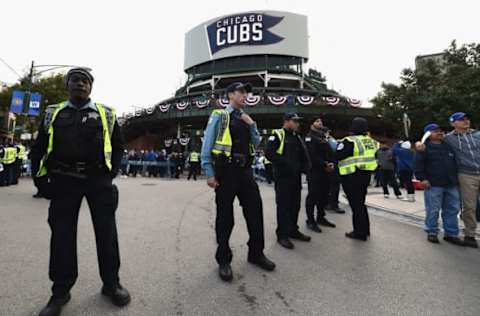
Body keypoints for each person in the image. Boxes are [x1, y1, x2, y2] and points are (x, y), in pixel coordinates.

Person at [31, 68, 130, 316]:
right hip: (63, 180)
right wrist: (40, 182)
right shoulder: (53, 113)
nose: (80, 84)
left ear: (91, 87)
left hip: (98, 181)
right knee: (62, 237)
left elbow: (118, 147)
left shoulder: (106, 114)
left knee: (106, 235)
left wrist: (110, 174)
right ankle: (60, 292)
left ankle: (111, 284)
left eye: (85, 80)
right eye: (75, 80)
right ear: (68, 85)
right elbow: (38, 149)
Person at [201, 82, 275, 282]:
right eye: (241, 92)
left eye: (246, 92)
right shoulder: (219, 116)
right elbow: (207, 144)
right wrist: (209, 172)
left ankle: (256, 253)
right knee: (225, 218)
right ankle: (224, 260)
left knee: (255, 212)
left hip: (245, 172)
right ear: (230, 95)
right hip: (226, 172)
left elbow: (257, 143)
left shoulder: (246, 117)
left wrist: (252, 125)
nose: (245, 95)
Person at [266, 112, 311, 249]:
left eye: (298, 121)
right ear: (286, 121)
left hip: (295, 177)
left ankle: (293, 230)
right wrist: (286, 164)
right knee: (284, 206)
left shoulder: (296, 137)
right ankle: (282, 235)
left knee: (295, 206)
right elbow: (270, 153)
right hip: (283, 177)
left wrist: (306, 168)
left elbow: (302, 155)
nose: (297, 124)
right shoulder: (278, 134)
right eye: (295, 121)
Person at [415, 123, 463, 246]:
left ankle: (451, 234)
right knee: (433, 209)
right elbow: (418, 164)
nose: (440, 132)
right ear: (428, 134)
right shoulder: (423, 148)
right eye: (435, 131)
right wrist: (422, 178)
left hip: (451, 184)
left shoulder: (448, 146)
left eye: (440, 130)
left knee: (452, 210)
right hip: (433, 184)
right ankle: (432, 232)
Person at [336, 117, 379, 241]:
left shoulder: (349, 141)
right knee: (360, 203)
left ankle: (359, 232)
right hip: (365, 175)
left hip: (351, 176)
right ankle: (365, 229)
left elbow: (338, 155)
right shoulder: (371, 141)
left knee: (356, 205)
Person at [443, 112, 480, 248]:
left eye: (467, 119)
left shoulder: (477, 134)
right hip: (466, 174)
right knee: (470, 206)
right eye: (461, 120)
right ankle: (470, 235)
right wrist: (419, 144)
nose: (466, 121)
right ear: (453, 123)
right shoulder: (448, 138)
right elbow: (431, 139)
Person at [304, 118, 336, 233]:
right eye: (317, 121)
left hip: (326, 171)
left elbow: (330, 152)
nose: (320, 122)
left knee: (324, 195)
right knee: (313, 196)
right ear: (311, 124)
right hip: (315, 171)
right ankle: (310, 220)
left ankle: (321, 217)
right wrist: (325, 164)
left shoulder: (323, 137)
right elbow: (311, 155)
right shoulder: (309, 137)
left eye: (321, 121)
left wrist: (331, 163)